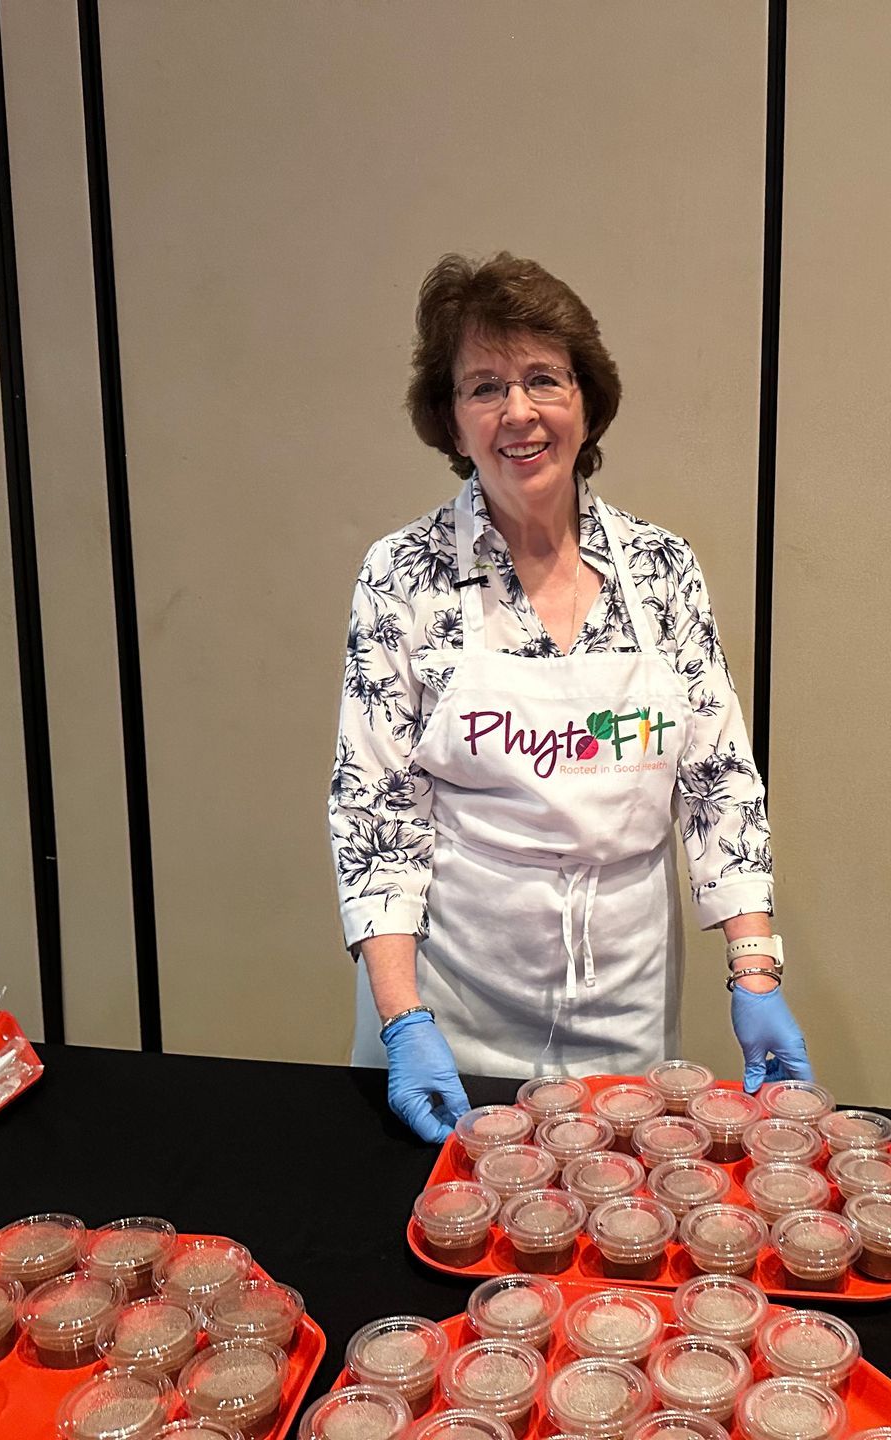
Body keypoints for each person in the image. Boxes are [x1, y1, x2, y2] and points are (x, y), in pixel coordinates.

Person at [329, 252, 811, 1142]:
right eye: (484, 387)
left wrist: (755, 972)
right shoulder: (404, 577)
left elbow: (717, 784)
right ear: (451, 419)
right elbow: (376, 813)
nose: (518, 412)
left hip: (622, 1011)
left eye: (542, 379)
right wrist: (403, 1020)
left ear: (586, 401)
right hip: (452, 1007)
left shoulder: (662, 571)